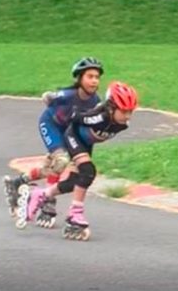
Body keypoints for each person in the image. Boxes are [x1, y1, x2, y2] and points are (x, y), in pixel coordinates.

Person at [15, 81, 138, 241]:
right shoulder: (98, 117)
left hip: (86, 143)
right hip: (73, 136)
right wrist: (57, 102)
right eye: (124, 111)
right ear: (111, 107)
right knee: (88, 171)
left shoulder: (123, 123)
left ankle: (41, 195)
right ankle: (75, 214)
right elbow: (75, 118)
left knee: (72, 183)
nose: (127, 116)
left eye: (130, 111)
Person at [3, 57, 104, 223]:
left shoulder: (96, 103)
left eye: (97, 77)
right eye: (90, 76)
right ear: (79, 78)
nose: (94, 81)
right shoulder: (67, 95)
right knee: (61, 161)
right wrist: (52, 99)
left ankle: (18, 182)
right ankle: (48, 201)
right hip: (51, 125)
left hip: (71, 133)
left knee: (64, 172)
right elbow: (47, 98)